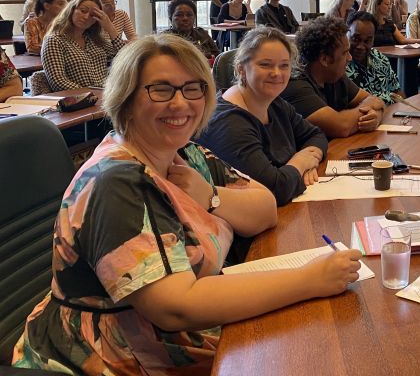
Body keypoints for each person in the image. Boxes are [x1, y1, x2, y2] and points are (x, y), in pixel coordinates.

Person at [12, 34, 360, 373]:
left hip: (186, 334)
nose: (180, 103)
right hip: (115, 355)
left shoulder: (185, 153)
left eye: (193, 88)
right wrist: (309, 279)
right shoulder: (116, 183)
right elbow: (175, 308)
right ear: (127, 99)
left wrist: (209, 197)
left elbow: (266, 208)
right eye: (161, 89)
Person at [199, 27, 327, 206]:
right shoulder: (229, 124)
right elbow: (273, 190)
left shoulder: (274, 103)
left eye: (284, 65)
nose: (277, 73)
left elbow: (316, 135)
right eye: (265, 65)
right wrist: (300, 163)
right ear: (241, 69)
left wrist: (306, 163)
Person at [281, 16, 385, 138]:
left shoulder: (334, 76)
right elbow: (341, 127)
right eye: (345, 53)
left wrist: (376, 117)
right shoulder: (295, 86)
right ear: (325, 59)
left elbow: (376, 101)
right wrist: (368, 108)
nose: (350, 58)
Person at [41, 0, 124, 91]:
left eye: (93, 15)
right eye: (83, 11)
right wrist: (90, 94)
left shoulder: (95, 40)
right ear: (71, 10)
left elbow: (126, 58)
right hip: (79, 97)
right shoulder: (54, 41)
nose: (86, 17)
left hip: (106, 92)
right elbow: (58, 82)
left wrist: (109, 27)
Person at [345, 11, 401, 104]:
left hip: (391, 111)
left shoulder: (380, 58)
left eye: (367, 41)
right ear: (346, 35)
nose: (361, 46)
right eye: (356, 39)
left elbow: (397, 91)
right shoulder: (340, 66)